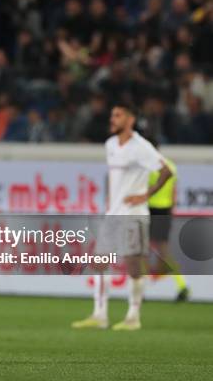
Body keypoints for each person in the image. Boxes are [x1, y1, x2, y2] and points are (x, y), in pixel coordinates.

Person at [72, 105, 173, 331]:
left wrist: (145, 195)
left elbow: (166, 171)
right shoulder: (110, 144)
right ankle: (100, 315)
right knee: (99, 263)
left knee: (133, 265)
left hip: (134, 216)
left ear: (130, 119)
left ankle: (133, 316)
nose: (112, 119)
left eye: (117, 116)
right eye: (112, 115)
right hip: (114, 214)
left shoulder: (141, 147)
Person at [146, 140, 189, 301]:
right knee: (162, 251)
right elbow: (174, 192)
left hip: (151, 209)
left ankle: (141, 289)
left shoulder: (149, 168)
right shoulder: (171, 165)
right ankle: (182, 284)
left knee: (143, 249)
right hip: (165, 210)